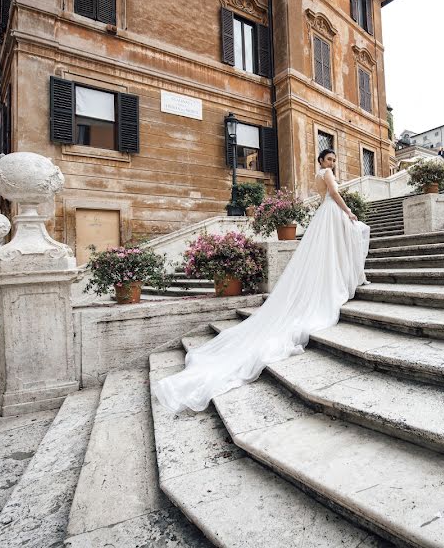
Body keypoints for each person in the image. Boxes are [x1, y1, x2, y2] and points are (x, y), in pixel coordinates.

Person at [155, 148, 370, 413]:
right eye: (330, 159)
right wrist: (348, 211)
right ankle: (348, 277)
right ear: (322, 161)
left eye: (335, 159)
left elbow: (324, 195)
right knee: (349, 238)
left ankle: (344, 275)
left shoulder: (317, 175)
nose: (333, 163)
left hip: (323, 216)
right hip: (332, 213)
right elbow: (335, 195)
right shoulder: (326, 174)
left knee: (329, 251)